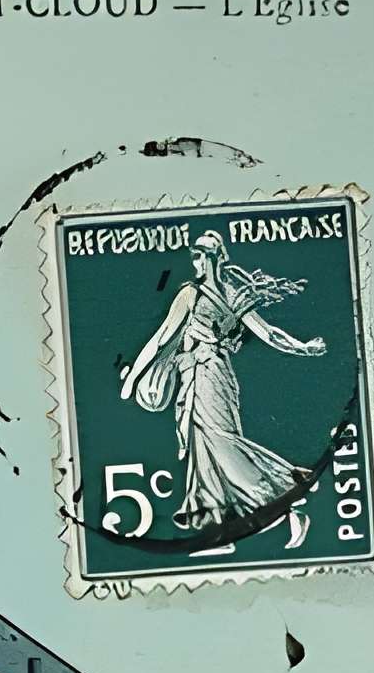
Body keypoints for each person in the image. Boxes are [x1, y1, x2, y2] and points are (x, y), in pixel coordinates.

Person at [120, 231, 326, 545]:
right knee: (203, 447)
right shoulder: (190, 293)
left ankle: (287, 499)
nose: (197, 260)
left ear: (217, 257)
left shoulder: (227, 294)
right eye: (195, 254)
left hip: (212, 375)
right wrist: (135, 376)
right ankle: (221, 525)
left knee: (220, 442)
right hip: (197, 375)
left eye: (203, 254)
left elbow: (268, 333)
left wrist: (302, 348)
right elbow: (163, 337)